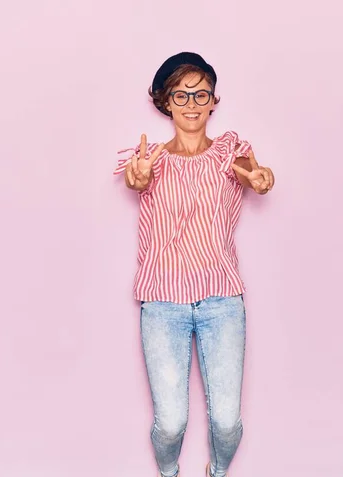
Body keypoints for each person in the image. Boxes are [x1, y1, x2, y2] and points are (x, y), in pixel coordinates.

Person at [113, 52, 275, 477]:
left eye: (199, 94)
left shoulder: (228, 153)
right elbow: (137, 180)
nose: (190, 103)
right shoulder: (149, 160)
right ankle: (169, 473)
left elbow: (253, 174)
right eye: (179, 95)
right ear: (165, 102)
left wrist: (260, 176)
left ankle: (217, 471)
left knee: (226, 422)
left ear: (212, 101)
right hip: (162, 305)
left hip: (222, 301)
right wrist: (141, 175)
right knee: (171, 423)